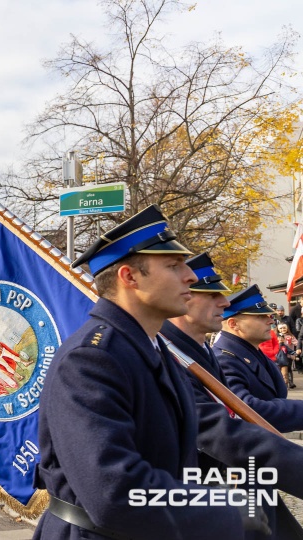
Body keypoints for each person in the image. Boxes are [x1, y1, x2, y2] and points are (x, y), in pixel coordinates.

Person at [34, 205, 264, 538]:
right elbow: (116, 492)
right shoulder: (90, 360)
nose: (191, 276)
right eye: (173, 265)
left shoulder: (148, 347)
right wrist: (223, 511)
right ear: (129, 277)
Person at [162, 253, 303, 539]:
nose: (224, 304)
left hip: (243, 486)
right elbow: (221, 428)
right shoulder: (169, 356)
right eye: (212, 296)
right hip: (214, 495)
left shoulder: (198, 354)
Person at [214, 285, 303, 433]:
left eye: (268, 315)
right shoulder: (224, 359)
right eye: (260, 316)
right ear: (233, 324)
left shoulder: (250, 351)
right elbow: (246, 409)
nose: (270, 321)